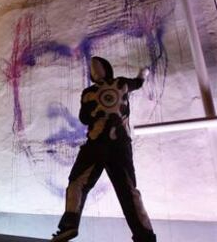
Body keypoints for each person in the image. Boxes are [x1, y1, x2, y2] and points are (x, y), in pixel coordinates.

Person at [51, 57, 156, 242]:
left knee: (128, 190)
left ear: (107, 67)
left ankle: (145, 236)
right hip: (95, 144)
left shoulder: (121, 83)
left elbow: (137, 83)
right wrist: (96, 113)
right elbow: (84, 117)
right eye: (92, 67)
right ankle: (69, 225)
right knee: (76, 182)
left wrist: (142, 74)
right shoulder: (89, 92)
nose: (95, 69)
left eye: (98, 65)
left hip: (118, 145)